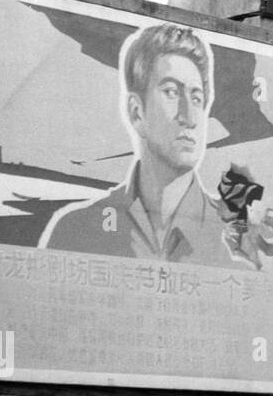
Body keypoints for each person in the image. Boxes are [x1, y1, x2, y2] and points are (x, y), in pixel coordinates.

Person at [39, 23, 241, 266]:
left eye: (197, 98)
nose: (189, 117)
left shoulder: (240, 242)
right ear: (136, 112)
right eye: (171, 92)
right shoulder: (76, 233)